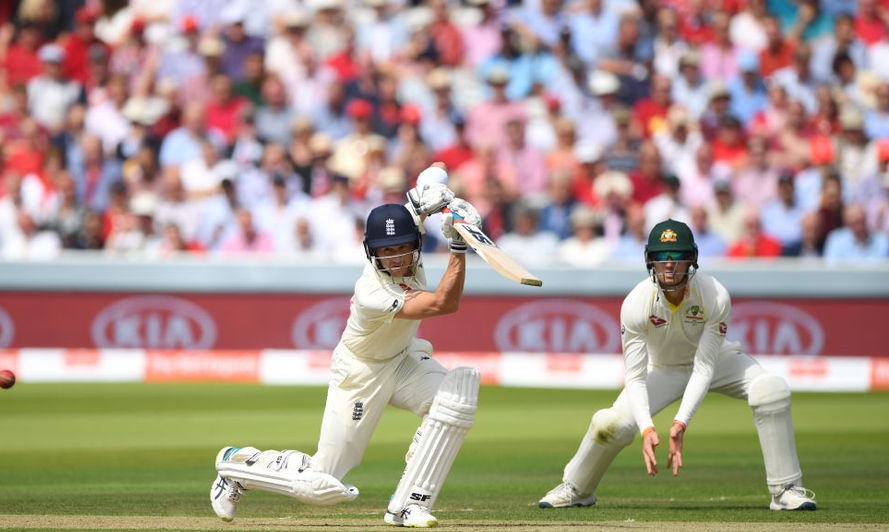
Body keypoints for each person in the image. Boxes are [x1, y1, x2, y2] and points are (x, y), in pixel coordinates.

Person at [210, 164, 484, 528]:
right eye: (387, 252)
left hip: (403, 360)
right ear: (371, 252)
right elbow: (442, 305)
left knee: (456, 398)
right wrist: (458, 242)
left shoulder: (409, 228)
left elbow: (434, 173)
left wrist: (442, 196)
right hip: (361, 373)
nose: (398, 259)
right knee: (319, 485)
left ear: (416, 243)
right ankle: (236, 467)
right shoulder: (372, 292)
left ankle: (408, 505)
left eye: (404, 249)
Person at [538, 219, 817, 512]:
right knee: (610, 424)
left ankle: (785, 489)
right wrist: (647, 429)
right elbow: (634, 377)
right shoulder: (636, 303)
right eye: (660, 258)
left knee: (771, 389)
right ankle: (577, 488)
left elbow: (704, 367)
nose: (668, 266)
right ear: (650, 262)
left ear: (692, 261)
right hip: (662, 369)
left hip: (719, 362)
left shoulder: (714, 295)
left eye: (676, 258)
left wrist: (680, 422)